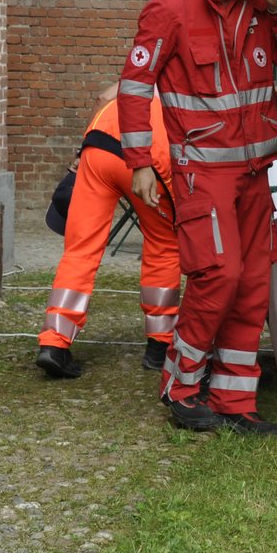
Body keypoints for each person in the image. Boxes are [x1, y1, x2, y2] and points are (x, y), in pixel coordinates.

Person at [119, 0, 277, 435]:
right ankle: (181, 386)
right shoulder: (168, 10)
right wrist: (141, 163)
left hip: (255, 173)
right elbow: (135, 89)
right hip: (201, 175)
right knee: (219, 277)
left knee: (254, 283)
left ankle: (236, 400)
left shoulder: (261, 6)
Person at [36, 87, 179, 378]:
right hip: (151, 155)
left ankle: (54, 343)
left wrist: (80, 152)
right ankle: (159, 346)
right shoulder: (187, 73)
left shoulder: (147, 62)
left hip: (100, 144)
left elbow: (102, 97)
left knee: (81, 249)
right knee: (163, 245)